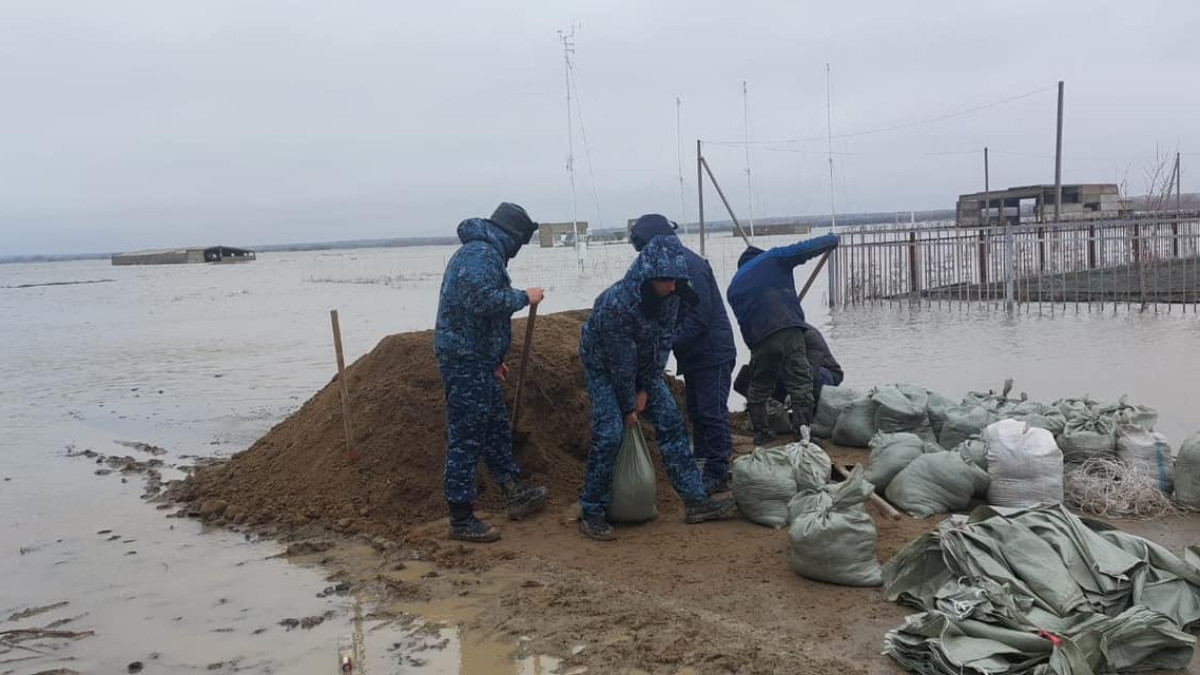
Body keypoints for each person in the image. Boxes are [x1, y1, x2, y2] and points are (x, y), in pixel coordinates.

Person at [577, 236, 735, 540]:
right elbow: (620, 363)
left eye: (676, 280)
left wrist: (647, 389)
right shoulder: (616, 305)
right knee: (610, 434)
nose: (672, 287)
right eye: (667, 281)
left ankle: (695, 501)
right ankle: (592, 508)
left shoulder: (671, 294)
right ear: (648, 276)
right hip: (604, 368)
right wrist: (628, 407)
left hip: (641, 368)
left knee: (673, 424)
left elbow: (662, 343)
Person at [433, 202, 549, 543]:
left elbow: (482, 316)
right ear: (512, 235)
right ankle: (461, 517)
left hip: (478, 359)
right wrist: (523, 297)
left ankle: (513, 491)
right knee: (467, 435)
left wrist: (494, 357)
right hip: (464, 360)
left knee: (496, 427)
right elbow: (481, 300)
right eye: (521, 241)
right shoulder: (480, 254)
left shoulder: (484, 252)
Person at [628, 214, 737, 494]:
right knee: (698, 412)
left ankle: (718, 470)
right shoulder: (671, 267)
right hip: (695, 355)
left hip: (712, 352)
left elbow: (700, 317)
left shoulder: (689, 267)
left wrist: (666, 343)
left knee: (711, 412)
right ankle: (702, 465)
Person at [727, 234, 840, 446]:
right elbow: (802, 249)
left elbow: (743, 319)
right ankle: (802, 433)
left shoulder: (733, 286)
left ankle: (762, 433)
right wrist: (829, 240)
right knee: (800, 383)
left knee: (759, 386)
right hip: (788, 329)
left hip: (758, 339)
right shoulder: (772, 258)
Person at [732, 320, 845, 409]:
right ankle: (771, 408)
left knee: (815, 376)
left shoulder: (809, 334)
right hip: (789, 376)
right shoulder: (770, 339)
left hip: (822, 375)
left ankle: (810, 413)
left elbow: (811, 369)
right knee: (745, 377)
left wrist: (795, 394)